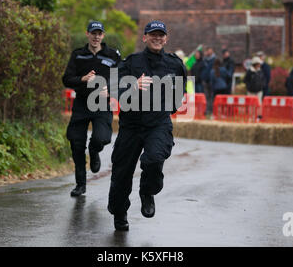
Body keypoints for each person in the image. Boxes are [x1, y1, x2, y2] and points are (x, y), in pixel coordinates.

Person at [107, 20, 186, 231]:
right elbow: (113, 87)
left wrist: (170, 107)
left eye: (161, 35)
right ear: (145, 37)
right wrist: (133, 85)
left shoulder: (175, 64)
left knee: (154, 159)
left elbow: (180, 92)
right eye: (153, 34)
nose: (157, 38)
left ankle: (147, 191)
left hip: (158, 124)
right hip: (131, 125)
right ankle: (120, 212)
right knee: (122, 174)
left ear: (166, 38)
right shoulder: (131, 62)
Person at [62, 21, 121, 197]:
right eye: (93, 33)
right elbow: (66, 79)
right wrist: (82, 79)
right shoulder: (78, 55)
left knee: (101, 138)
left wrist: (109, 90)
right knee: (76, 142)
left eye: (99, 33)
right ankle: (81, 184)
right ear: (87, 34)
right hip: (81, 103)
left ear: (103, 35)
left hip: (102, 104)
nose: (96, 36)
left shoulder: (113, 55)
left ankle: (94, 151)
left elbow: (123, 79)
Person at [201, 46, 217, 115]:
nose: (208, 52)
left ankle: (212, 111)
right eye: (207, 51)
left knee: (212, 96)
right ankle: (207, 110)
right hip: (205, 80)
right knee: (206, 97)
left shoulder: (215, 59)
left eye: (209, 50)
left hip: (212, 80)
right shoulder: (204, 60)